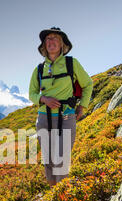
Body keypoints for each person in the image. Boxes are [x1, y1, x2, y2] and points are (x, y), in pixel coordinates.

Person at [29, 27, 93, 187]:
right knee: (48, 160)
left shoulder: (72, 63)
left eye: (55, 38)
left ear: (62, 43)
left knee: (61, 160)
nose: (51, 41)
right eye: (48, 39)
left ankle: (61, 196)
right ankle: (53, 193)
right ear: (44, 45)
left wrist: (82, 106)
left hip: (66, 116)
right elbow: (32, 94)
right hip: (44, 118)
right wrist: (43, 98)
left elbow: (88, 84)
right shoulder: (38, 69)